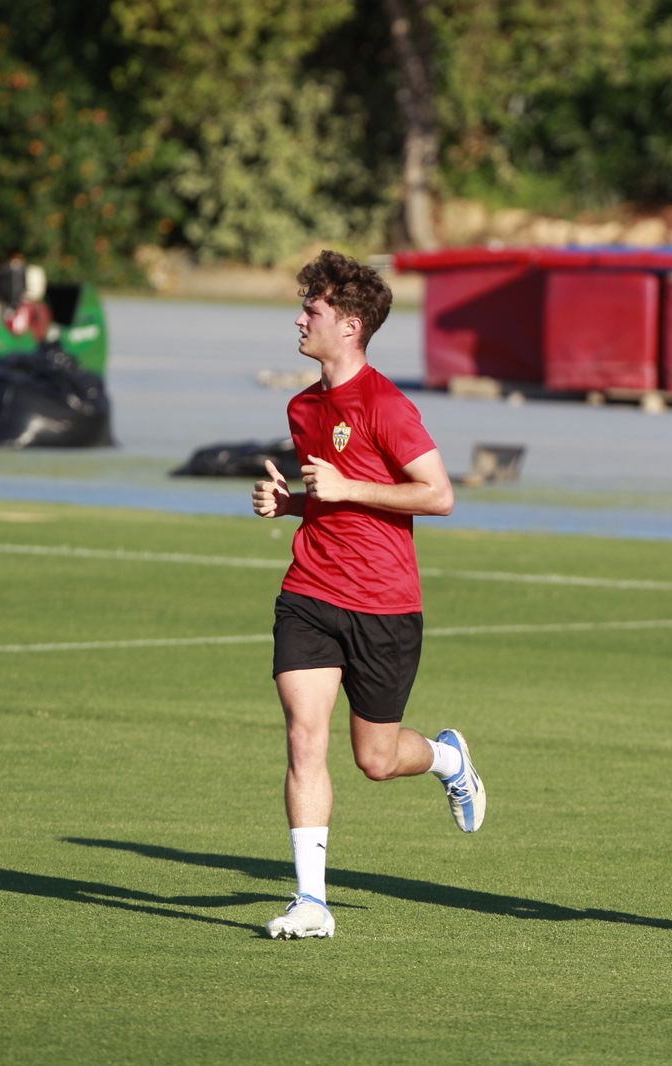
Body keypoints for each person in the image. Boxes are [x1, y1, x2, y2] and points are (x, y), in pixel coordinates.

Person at [251, 250, 484, 940]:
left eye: (313, 311)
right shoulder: (303, 407)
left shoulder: (386, 403)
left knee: (376, 760)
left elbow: (439, 495)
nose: (300, 319)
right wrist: (290, 504)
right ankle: (311, 901)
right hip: (310, 593)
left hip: (385, 605)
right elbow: (329, 503)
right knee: (303, 738)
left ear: (349, 325)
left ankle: (448, 759)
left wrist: (347, 488)